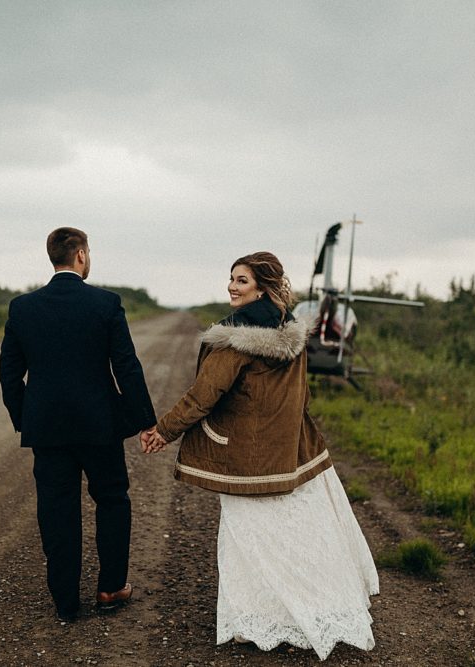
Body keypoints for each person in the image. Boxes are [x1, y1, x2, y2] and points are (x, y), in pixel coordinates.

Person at [141, 252, 379, 660]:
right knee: (283, 539)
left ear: (263, 287)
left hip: (246, 459)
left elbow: (204, 396)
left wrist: (163, 430)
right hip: (285, 452)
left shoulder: (238, 336)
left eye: (242, 281)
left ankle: (260, 620)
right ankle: (297, 615)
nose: (232, 286)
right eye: (231, 279)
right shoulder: (290, 330)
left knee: (249, 542)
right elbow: (301, 395)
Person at [0, 227, 156, 623]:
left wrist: (27, 419)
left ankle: (66, 602)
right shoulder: (105, 303)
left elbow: (9, 375)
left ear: (52, 257)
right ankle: (110, 587)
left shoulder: (23, 308)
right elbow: (126, 365)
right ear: (81, 256)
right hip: (99, 425)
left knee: (57, 508)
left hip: (48, 430)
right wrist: (144, 421)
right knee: (112, 499)